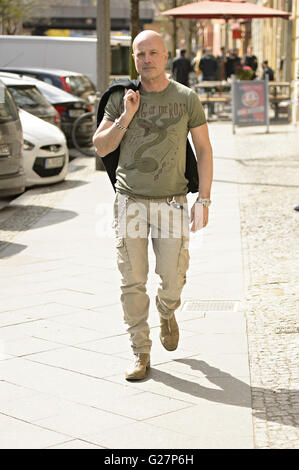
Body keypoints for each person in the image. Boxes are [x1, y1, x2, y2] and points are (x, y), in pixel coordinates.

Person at [93, 30, 213, 381]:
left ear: (166, 56)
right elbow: (101, 147)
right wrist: (125, 117)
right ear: (134, 58)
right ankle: (140, 352)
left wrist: (203, 200)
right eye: (140, 54)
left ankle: (166, 309)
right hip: (130, 203)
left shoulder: (186, 98)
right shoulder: (121, 98)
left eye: (153, 53)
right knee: (132, 281)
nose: (146, 59)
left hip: (172, 204)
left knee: (173, 278)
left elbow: (204, 149)